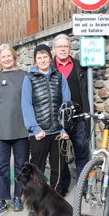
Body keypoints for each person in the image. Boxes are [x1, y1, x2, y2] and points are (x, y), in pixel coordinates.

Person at [21, 43, 71, 196]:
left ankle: (52, 199)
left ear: (50, 58)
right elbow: (26, 104)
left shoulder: (59, 76)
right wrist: (35, 129)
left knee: (58, 168)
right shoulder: (29, 78)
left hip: (57, 132)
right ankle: (35, 201)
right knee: (36, 169)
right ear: (35, 60)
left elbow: (66, 103)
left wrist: (64, 128)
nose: (42, 60)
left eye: (45, 57)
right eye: (39, 58)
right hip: (39, 133)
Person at [0, 44, 29, 214]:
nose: (6, 59)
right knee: (2, 166)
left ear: (14, 57)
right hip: (1, 131)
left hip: (21, 129)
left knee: (21, 166)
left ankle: (18, 196)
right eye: (3, 56)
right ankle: (3, 198)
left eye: (9, 55)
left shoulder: (24, 76)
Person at [52, 34, 90, 197]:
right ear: (53, 49)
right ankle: (63, 185)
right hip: (57, 119)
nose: (62, 49)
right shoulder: (49, 68)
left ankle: (84, 186)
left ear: (70, 48)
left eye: (65, 46)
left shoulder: (80, 66)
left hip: (78, 117)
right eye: (59, 47)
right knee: (60, 156)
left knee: (82, 152)